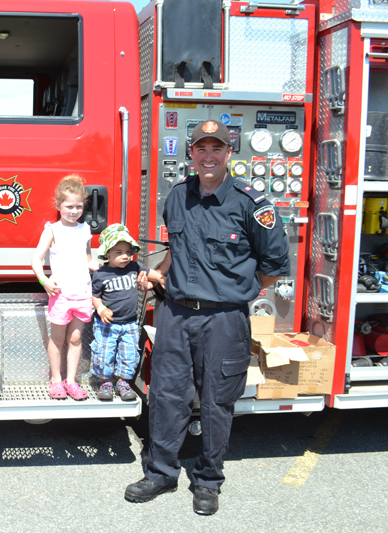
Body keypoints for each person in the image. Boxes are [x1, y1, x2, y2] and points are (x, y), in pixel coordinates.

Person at [124, 120, 290, 515]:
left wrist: (235, 291)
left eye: (217, 148)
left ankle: (208, 481)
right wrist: (161, 273)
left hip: (224, 320)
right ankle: (161, 473)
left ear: (230, 153)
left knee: (217, 402)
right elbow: (175, 250)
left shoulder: (253, 205)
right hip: (177, 315)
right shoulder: (178, 197)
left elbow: (273, 266)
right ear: (192, 153)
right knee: (166, 397)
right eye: (201, 148)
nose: (209, 155)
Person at [31, 175, 99, 400]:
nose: (74, 211)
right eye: (69, 206)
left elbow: (88, 259)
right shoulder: (52, 229)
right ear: (58, 205)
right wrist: (44, 280)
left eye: (79, 206)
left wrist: (102, 265)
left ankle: (71, 381)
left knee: (76, 339)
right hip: (61, 295)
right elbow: (36, 259)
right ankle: (56, 380)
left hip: (82, 293)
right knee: (58, 339)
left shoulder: (85, 229)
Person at [91, 224, 164, 401]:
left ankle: (123, 383)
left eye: (128, 251)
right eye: (118, 252)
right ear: (107, 253)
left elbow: (152, 274)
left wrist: (163, 279)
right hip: (107, 324)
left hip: (129, 323)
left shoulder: (133, 267)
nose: (125, 256)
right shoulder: (101, 274)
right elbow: (95, 296)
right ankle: (106, 382)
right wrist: (101, 309)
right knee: (104, 353)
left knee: (129, 354)